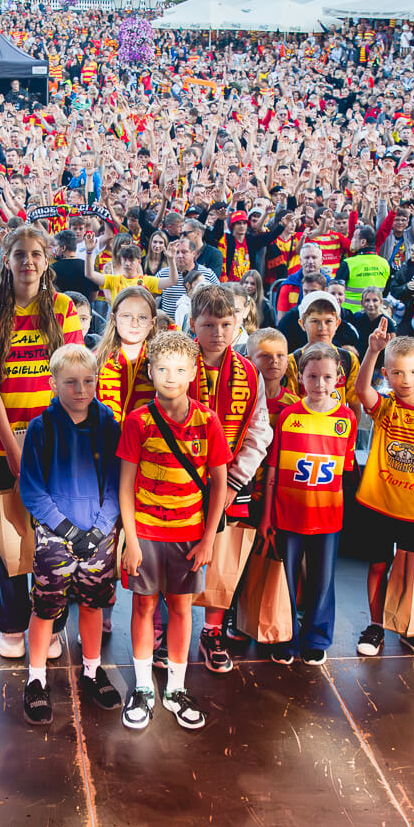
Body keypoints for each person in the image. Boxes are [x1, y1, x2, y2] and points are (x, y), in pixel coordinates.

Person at [0, 224, 84, 659]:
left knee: (55, 537)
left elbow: (72, 378)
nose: (29, 262)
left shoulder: (63, 308)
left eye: (36, 254)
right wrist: (13, 449)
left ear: (46, 259)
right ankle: (12, 624)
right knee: (8, 535)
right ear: (7, 260)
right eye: (20, 254)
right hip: (0, 445)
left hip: (54, 443)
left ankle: (51, 623)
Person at [117, 330, 228, 731]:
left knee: (181, 608)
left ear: (193, 372)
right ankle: (143, 687)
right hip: (147, 533)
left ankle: (177, 688)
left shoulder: (207, 421)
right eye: (163, 369)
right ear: (150, 371)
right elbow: (125, 486)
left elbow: (220, 483)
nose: (171, 377)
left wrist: (208, 539)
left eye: (180, 370)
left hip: (188, 535)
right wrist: (131, 541)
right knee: (144, 607)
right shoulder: (138, 421)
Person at [16, 343, 125, 724]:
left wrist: (98, 530)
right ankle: (36, 678)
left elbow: (117, 485)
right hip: (55, 536)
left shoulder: (109, 426)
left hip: (99, 536)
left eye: (88, 381)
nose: (81, 390)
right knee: (45, 607)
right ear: (53, 384)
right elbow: (32, 488)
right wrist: (66, 529)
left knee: (93, 604)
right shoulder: (41, 428)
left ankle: (92, 671)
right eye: (70, 382)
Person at [351, 324, 414, 659]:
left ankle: (412, 628)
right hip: (379, 505)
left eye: (412, 372)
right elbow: (361, 389)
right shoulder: (385, 407)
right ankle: (376, 625)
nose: (405, 379)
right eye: (396, 372)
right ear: (386, 373)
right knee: (378, 566)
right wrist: (372, 350)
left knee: (412, 572)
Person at [186, 285, 272, 673]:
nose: (218, 333)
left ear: (237, 323)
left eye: (225, 324)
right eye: (208, 325)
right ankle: (168, 630)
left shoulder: (250, 373)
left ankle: (212, 631)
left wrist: (234, 481)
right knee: (178, 556)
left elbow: (259, 431)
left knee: (224, 558)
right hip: (181, 480)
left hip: (234, 483)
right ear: (193, 324)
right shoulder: (178, 363)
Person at [260, 343, 358, 665]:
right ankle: (285, 636)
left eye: (327, 377)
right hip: (288, 514)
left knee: (322, 580)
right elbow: (273, 469)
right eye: (312, 376)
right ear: (300, 376)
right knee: (285, 579)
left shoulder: (346, 419)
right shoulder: (289, 416)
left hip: (327, 517)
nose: (319, 384)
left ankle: (316, 638)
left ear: (338, 377)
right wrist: (267, 516)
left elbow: (344, 471)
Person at [95, 285, 156, 422]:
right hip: (108, 434)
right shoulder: (98, 358)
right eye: (126, 316)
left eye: (142, 317)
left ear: (152, 323)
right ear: (113, 319)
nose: (134, 324)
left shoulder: (160, 360)